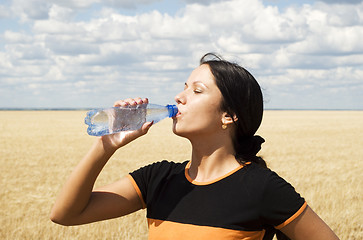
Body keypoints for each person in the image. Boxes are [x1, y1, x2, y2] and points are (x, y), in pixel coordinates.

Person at [50, 53, 339, 240]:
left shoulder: (261, 187)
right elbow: (66, 215)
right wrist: (106, 146)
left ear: (229, 116)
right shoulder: (158, 179)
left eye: (196, 91)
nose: (179, 97)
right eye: (184, 87)